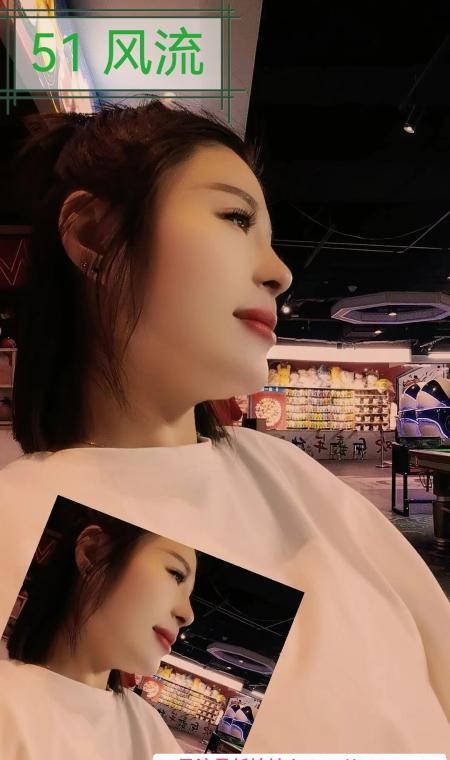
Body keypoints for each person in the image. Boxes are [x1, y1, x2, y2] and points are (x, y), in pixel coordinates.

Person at [0, 100, 449, 753]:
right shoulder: (16, 528)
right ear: (95, 235)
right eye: (236, 218)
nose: (280, 271)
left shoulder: (293, 477)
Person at [0, 502, 195, 759]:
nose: (188, 614)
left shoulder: (147, 725)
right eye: (176, 575)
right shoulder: (9, 703)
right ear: (93, 552)